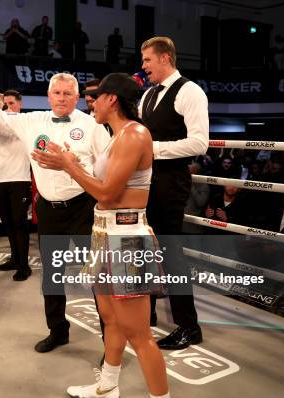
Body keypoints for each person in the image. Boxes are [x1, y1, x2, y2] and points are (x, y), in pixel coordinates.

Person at [33, 72, 169, 398]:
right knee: (109, 318)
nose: (90, 103)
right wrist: (65, 161)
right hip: (103, 234)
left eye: (96, 97)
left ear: (112, 99)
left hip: (127, 239)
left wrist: (69, 166)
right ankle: (108, 386)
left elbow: (107, 193)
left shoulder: (135, 134)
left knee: (139, 333)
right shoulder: (113, 137)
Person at [0, 73, 110, 353]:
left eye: (67, 94)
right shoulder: (31, 121)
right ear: (49, 96)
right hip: (49, 209)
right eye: (57, 93)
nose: (62, 98)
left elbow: (106, 168)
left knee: (98, 274)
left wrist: (80, 170)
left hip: (83, 206)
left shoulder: (92, 125)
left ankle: (110, 341)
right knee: (52, 274)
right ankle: (57, 330)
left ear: (77, 98)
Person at [140, 36, 208, 349]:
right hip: (146, 182)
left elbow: (198, 143)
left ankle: (188, 327)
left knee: (170, 254)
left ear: (165, 58)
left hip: (171, 182)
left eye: (148, 60)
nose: (143, 66)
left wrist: (152, 149)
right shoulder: (149, 94)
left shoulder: (190, 91)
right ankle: (146, 314)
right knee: (143, 249)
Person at [0, 90, 32, 280]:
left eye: (11, 103)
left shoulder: (25, 121)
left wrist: (2, 110)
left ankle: (24, 266)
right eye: (6, 103)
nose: (8, 106)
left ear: (19, 104)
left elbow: (13, 124)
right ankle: (15, 259)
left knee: (20, 223)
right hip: (0, 178)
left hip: (20, 178)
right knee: (8, 222)